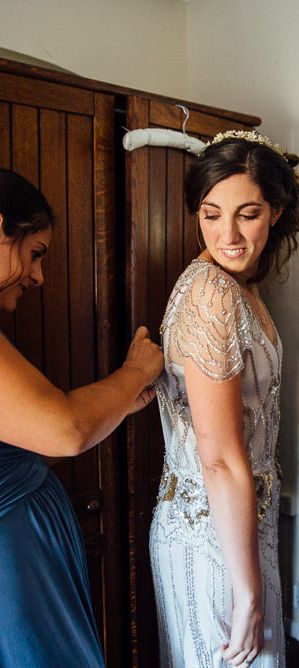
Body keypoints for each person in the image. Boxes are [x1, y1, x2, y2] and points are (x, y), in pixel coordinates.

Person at [150, 130, 299, 667]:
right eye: (212, 214)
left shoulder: (236, 282)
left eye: (248, 213)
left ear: (277, 210)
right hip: (212, 531)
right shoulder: (212, 294)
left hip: (236, 520)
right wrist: (246, 593)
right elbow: (217, 458)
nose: (229, 233)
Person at [0, 168, 163, 667]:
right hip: (13, 561)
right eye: (35, 253)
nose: (38, 276)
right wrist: (136, 372)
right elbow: (63, 430)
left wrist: (118, 401)